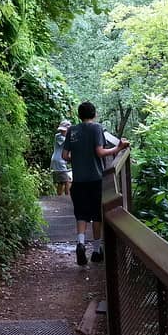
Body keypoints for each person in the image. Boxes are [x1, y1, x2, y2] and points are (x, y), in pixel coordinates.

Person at [61, 101, 129, 266]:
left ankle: (80, 243)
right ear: (94, 114)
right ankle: (97, 251)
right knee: (96, 215)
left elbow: (64, 156)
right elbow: (100, 152)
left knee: (81, 214)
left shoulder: (72, 130)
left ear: (79, 115)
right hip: (95, 179)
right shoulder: (97, 128)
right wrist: (118, 148)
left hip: (78, 180)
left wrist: (78, 158)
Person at [50, 120, 73, 196]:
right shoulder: (59, 137)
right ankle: (67, 198)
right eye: (61, 130)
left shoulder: (65, 137)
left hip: (59, 161)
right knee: (67, 181)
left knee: (61, 182)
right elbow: (69, 143)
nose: (62, 132)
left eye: (64, 131)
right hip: (59, 161)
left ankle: (60, 197)